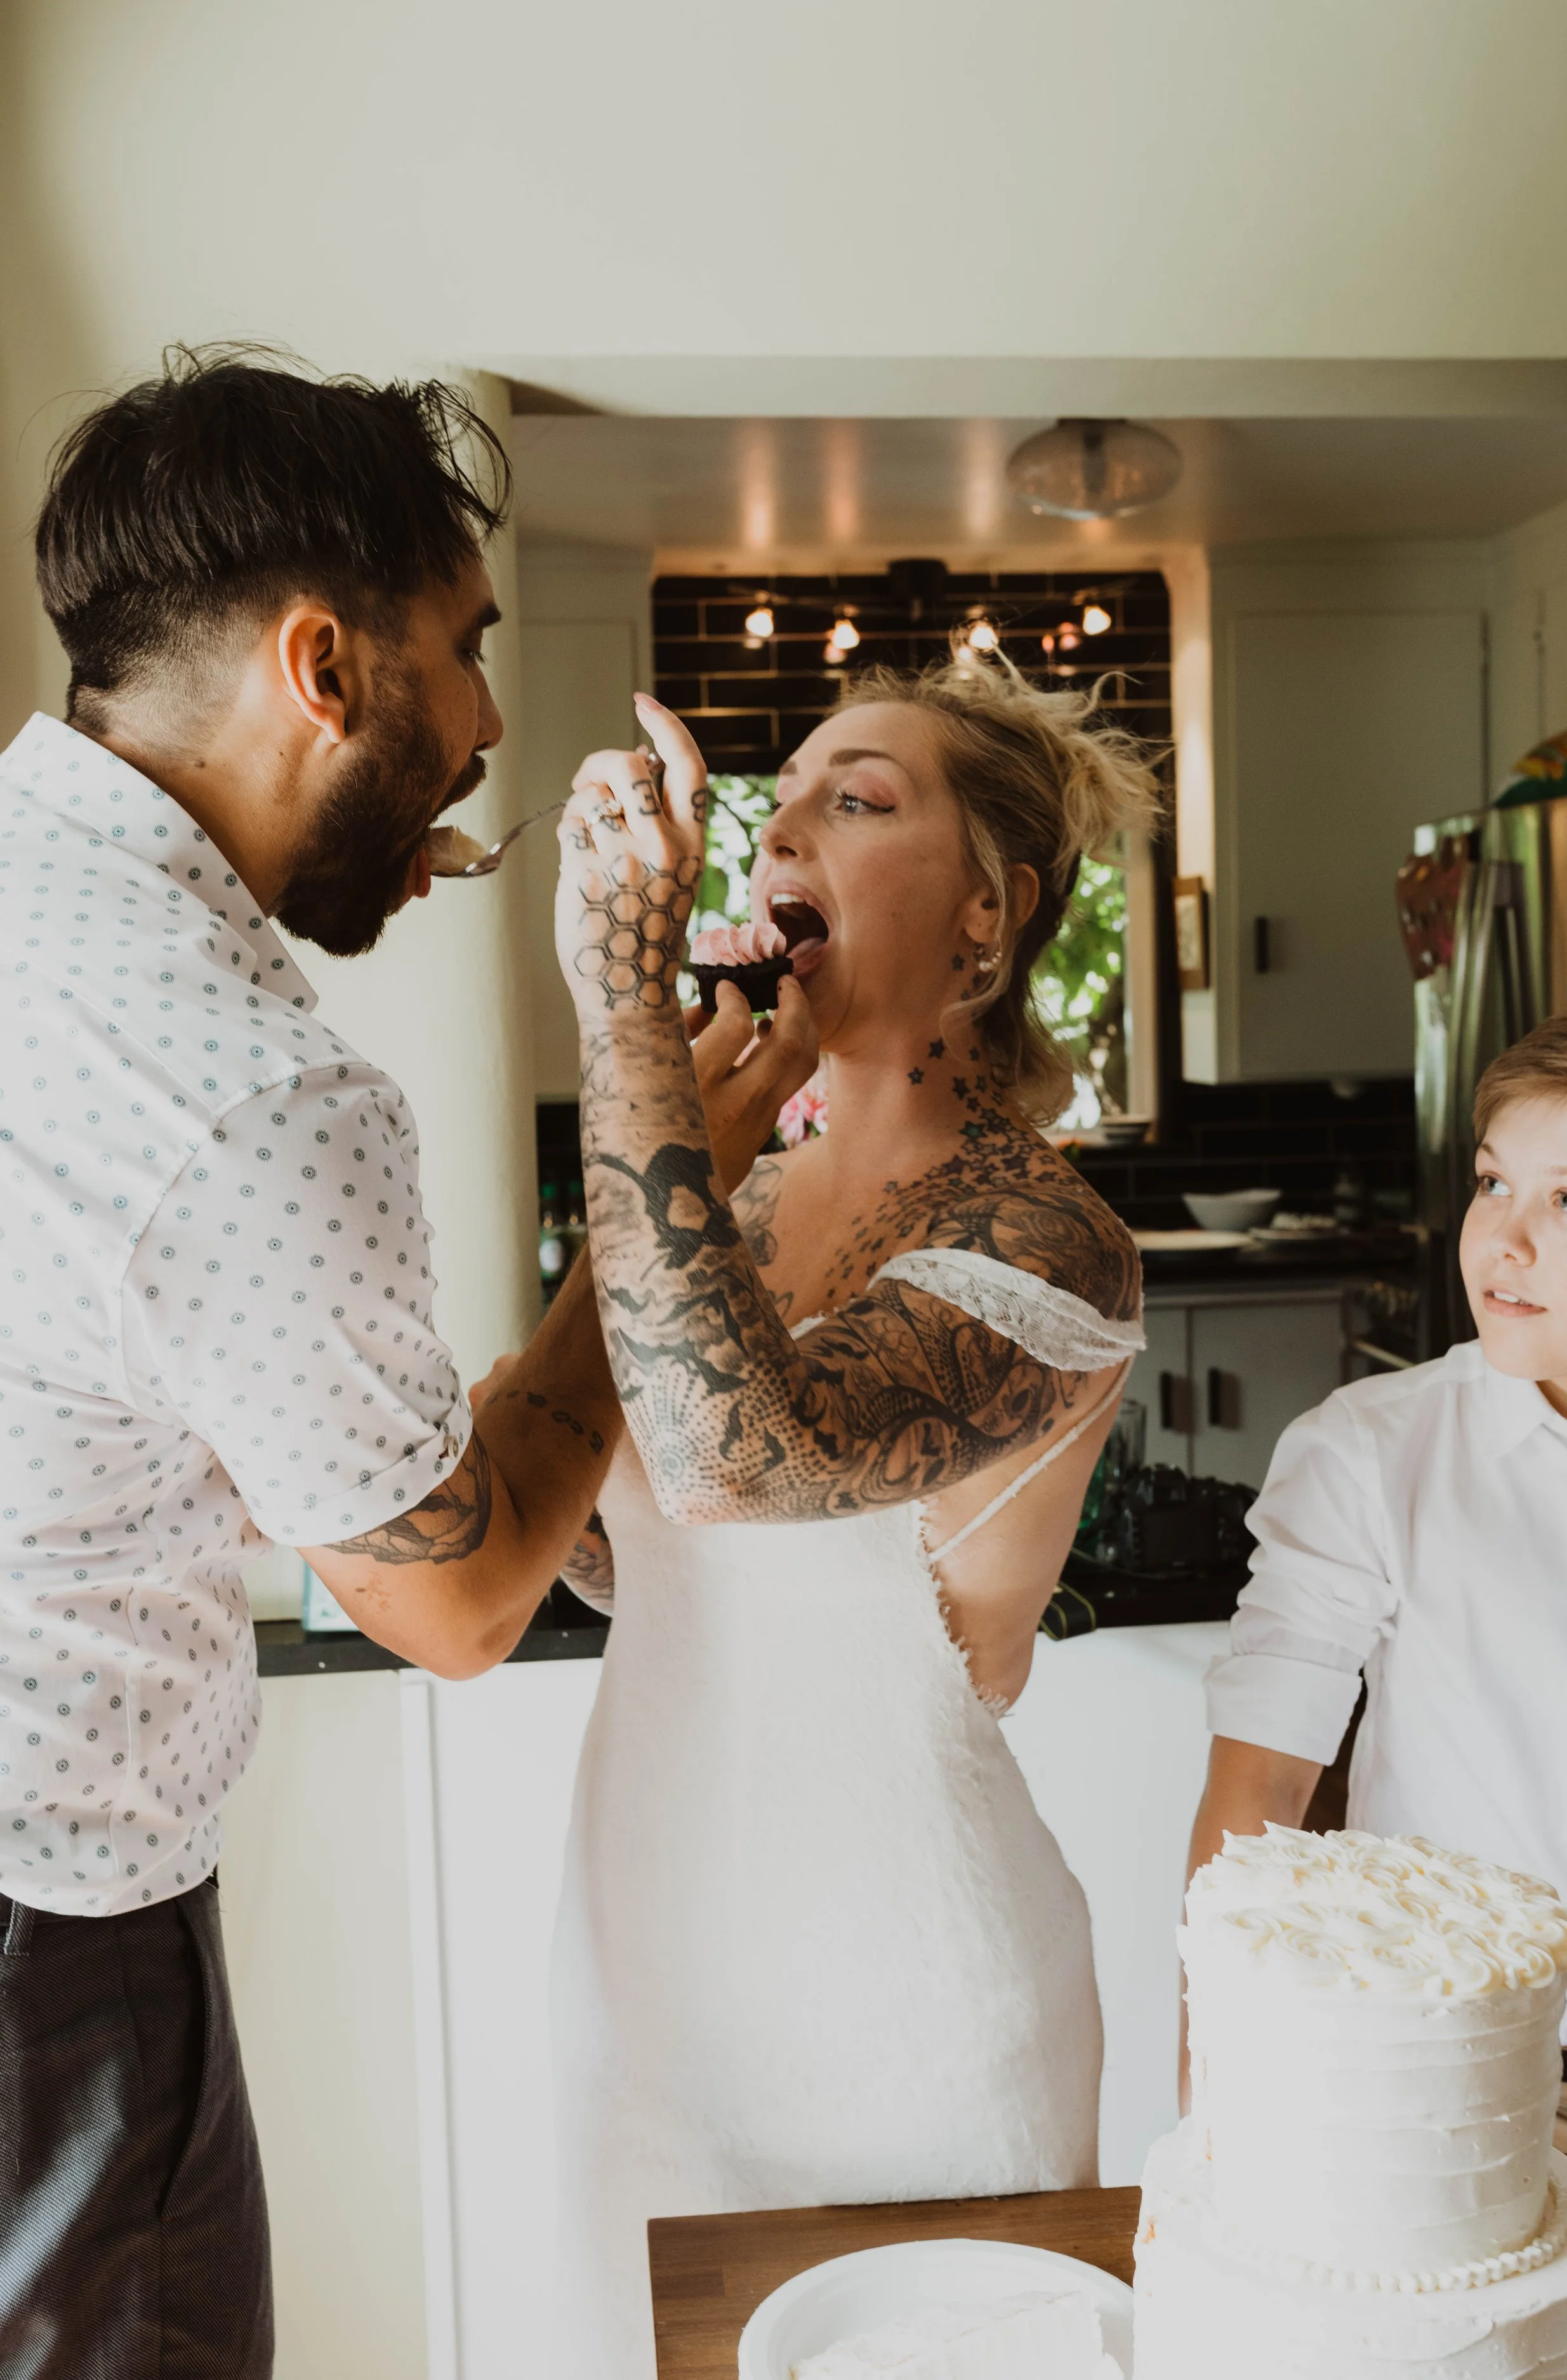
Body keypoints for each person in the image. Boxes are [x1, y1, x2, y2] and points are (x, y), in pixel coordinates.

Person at [0, 350, 810, 2379]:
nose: (486, 726)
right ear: (323, 665)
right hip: (46, 1956)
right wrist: (660, 1194)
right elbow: (452, 1599)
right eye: (459, 648)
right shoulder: (254, 1086)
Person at [548, 663, 1158, 2376]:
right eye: (786, 792)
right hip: (644, 1980)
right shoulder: (723, 1195)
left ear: (991, 909)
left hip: (904, 2017)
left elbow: (732, 1458)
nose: (780, 823)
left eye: (861, 795)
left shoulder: (1049, 1233)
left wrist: (617, 1020)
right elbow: (614, 1551)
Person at [1186, 1008, 1567, 2083]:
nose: (1504, 1238)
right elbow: (1258, 1795)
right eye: (1495, 1182)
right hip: (1462, 2079)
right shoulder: (1369, 1453)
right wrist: (1215, 2108)